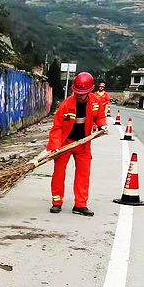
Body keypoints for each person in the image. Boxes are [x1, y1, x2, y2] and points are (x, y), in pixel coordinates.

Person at [46, 71, 108, 216]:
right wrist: (55, 147)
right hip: (65, 143)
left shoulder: (95, 102)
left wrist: (102, 125)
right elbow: (57, 127)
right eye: (77, 93)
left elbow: (100, 116)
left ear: (89, 91)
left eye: (82, 93)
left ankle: (80, 205)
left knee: (83, 174)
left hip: (83, 144)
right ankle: (57, 202)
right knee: (59, 173)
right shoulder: (66, 105)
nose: (79, 96)